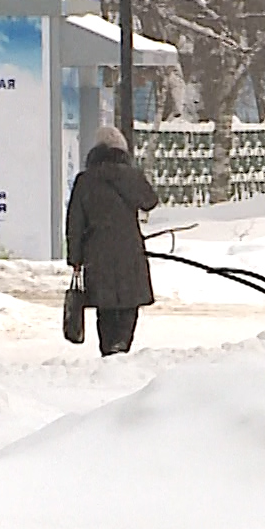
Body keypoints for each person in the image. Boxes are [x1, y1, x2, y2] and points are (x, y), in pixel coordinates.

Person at [66, 125, 159, 356]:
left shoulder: (85, 180)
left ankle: (109, 350)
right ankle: (123, 346)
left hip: (97, 255)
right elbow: (150, 201)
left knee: (105, 306)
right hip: (130, 252)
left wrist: (75, 259)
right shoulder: (131, 176)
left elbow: (75, 223)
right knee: (129, 303)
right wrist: (132, 176)